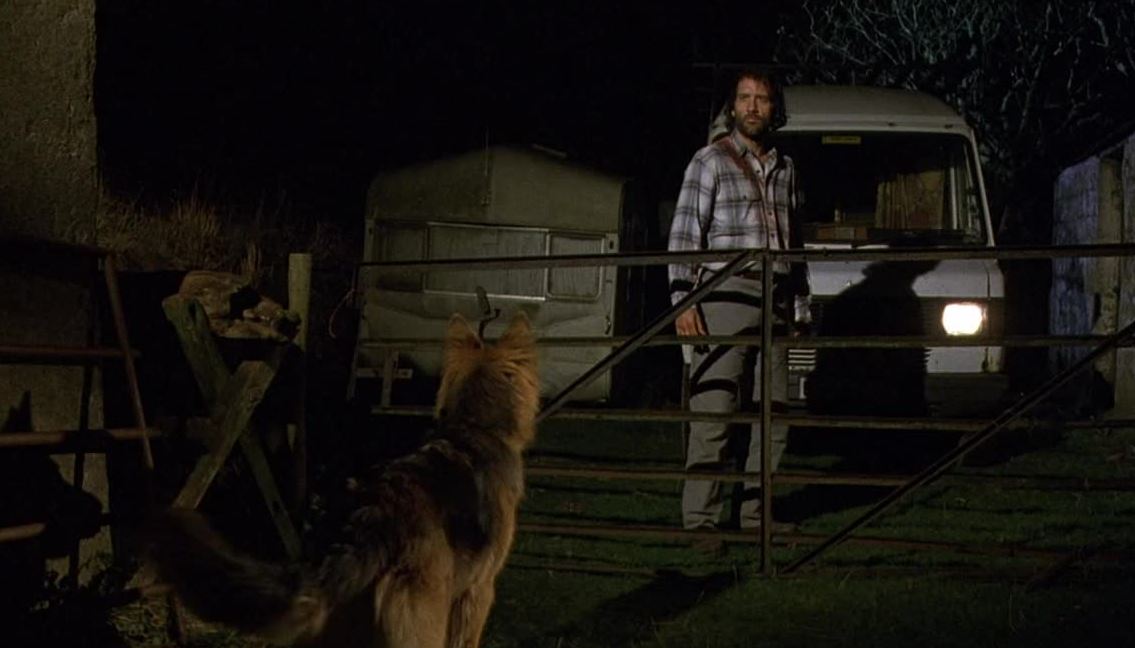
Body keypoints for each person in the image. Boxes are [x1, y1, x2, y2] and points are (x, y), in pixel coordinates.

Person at [668, 68, 810, 535]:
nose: (752, 106)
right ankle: (700, 520)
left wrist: (800, 305)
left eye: (761, 99)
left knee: (774, 415)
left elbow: (793, 240)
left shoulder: (785, 168)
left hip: (776, 296)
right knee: (715, 410)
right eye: (745, 97)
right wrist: (684, 300)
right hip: (725, 294)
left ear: (773, 108)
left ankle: (755, 516)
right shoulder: (709, 161)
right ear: (732, 107)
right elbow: (685, 233)